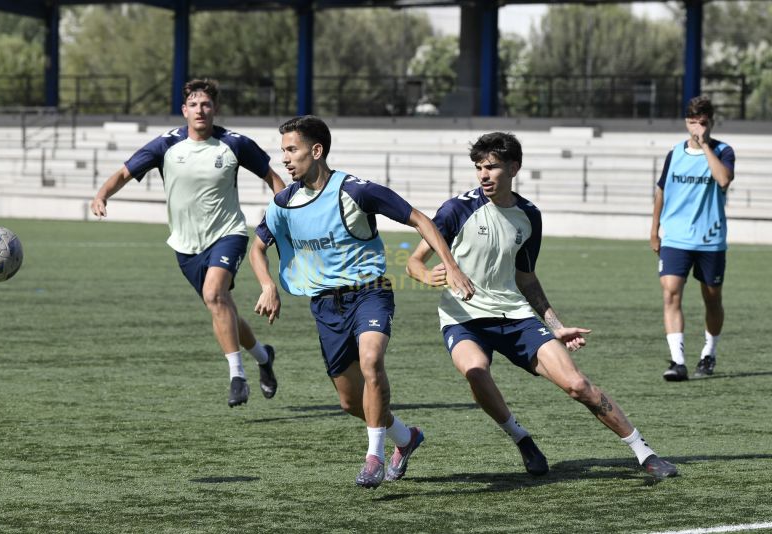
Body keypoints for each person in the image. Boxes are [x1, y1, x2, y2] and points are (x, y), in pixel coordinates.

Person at [406, 131, 678, 480]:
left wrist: (555, 325)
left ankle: (645, 453)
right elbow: (414, 262)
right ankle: (522, 440)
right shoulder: (456, 209)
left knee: (577, 385)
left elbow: (527, 278)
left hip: (515, 315)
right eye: (478, 168)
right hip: (463, 318)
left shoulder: (529, 216)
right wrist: (430, 277)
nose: (484, 175)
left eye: (492, 167)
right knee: (475, 370)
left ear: (514, 168)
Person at [249, 115, 475, 488]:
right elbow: (257, 248)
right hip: (324, 306)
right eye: (283, 151)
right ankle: (406, 438)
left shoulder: (355, 190)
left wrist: (450, 266)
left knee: (371, 361)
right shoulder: (284, 203)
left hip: (370, 293)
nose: (285, 159)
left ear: (316, 150)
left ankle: (374, 457)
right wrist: (267, 285)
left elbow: (420, 219)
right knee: (351, 403)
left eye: (292, 150)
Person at [90, 78, 285, 408]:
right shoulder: (166, 145)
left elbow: (272, 177)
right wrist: (101, 195)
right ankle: (263, 357)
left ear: (215, 109)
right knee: (222, 308)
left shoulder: (234, 143)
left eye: (206, 104)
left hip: (228, 234)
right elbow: (124, 173)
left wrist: (287, 212)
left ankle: (237, 376)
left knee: (214, 294)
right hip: (185, 245)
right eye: (194, 104)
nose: (200, 110)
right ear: (184, 110)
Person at [650, 96, 736, 381]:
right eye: (692, 122)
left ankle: (709, 353)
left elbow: (723, 180)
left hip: (710, 240)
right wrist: (654, 230)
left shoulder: (723, 151)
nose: (697, 127)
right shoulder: (674, 153)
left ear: (711, 122)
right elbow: (661, 191)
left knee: (712, 300)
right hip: (675, 237)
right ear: (686, 122)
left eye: (703, 122)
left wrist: (705, 146)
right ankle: (677, 361)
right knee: (670, 293)